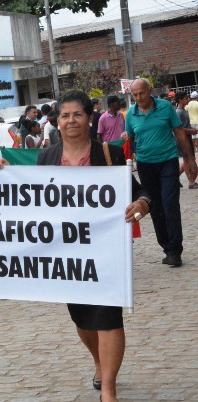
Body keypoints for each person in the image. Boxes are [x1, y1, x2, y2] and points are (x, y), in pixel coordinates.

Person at [37, 90, 150, 402]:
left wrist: (141, 204)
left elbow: (141, 193)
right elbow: (27, 197)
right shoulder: (46, 157)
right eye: (65, 115)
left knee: (109, 315)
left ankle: (109, 390)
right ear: (57, 121)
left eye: (78, 114)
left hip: (106, 250)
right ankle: (98, 361)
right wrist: (1, 172)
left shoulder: (108, 154)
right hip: (67, 253)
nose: (71, 120)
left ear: (90, 118)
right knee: (83, 318)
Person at [126, 78, 197, 267]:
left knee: (170, 204)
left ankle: (175, 250)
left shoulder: (165, 107)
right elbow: (130, 139)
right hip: (145, 165)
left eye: (142, 93)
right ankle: (166, 247)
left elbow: (179, 132)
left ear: (149, 91)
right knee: (155, 206)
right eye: (135, 95)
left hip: (168, 161)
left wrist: (190, 159)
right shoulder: (131, 114)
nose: (139, 98)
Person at [175, 92, 198, 188]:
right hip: (182, 138)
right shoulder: (178, 112)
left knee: (188, 160)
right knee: (187, 160)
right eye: (186, 98)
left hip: (187, 137)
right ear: (180, 100)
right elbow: (178, 129)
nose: (188, 99)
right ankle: (191, 182)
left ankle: (175, 178)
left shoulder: (183, 110)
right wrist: (191, 131)